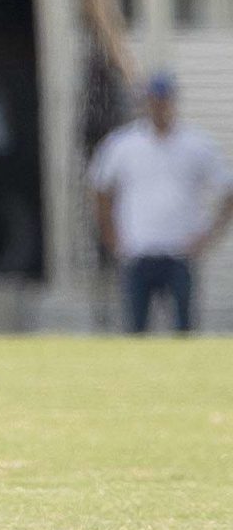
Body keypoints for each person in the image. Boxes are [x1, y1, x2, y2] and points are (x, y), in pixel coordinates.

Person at [87, 71, 231, 333]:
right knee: (136, 327)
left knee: (183, 327)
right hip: (138, 250)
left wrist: (209, 236)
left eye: (164, 100)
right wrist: (111, 236)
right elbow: (100, 190)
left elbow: (227, 189)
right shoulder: (123, 144)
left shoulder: (196, 143)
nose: (159, 106)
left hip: (179, 251)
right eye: (154, 100)